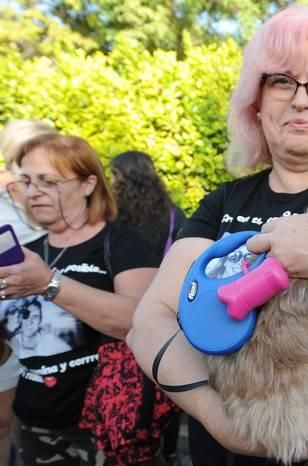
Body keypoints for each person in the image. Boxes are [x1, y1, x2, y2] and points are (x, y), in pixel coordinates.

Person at [127, 6, 308, 465]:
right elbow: (149, 321)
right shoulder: (224, 201)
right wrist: (222, 423)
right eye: (282, 81)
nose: (301, 99)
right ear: (256, 103)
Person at [0, 134, 159, 465]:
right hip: (33, 427)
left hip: (104, 432)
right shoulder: (32, 251)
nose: (33, 192)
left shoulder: (122, 242)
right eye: (27, 181)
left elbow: (140, 322)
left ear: (88, 184)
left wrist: (49, 283)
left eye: (49, 181)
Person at [109, 150, 187, 465]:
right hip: (166, 308)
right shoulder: (173, 215)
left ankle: (131, 443)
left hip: (123, 308)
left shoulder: (114, 219)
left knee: (129, 383)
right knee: (166, 380)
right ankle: (167, 447)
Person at [0, 119, 56, 466]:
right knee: (6, 422)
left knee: (27, 423)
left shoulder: (47, 194)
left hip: (48, 327)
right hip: (8, 332)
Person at [110, 151, 187, 260]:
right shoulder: (173, 214)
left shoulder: (111, 213)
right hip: (163, 275)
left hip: (119, 275)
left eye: (113, 175)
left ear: (123, 179)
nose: (111, 181)